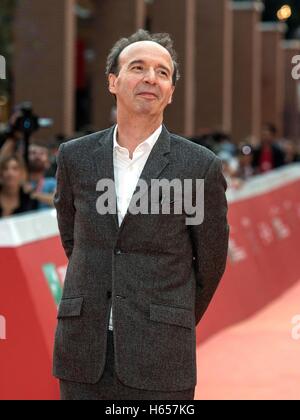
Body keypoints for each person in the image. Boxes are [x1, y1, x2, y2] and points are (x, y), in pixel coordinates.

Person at [53, 29, 229, 401]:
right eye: (138, 67)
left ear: (171, 92)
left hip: (162, 354)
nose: (151, 78)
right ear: (113, 82)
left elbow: (210, 262)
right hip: (84, 351)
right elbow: (74, 239)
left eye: (163, 72)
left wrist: (171, 315)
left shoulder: (200, 166)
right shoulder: (75, 157)